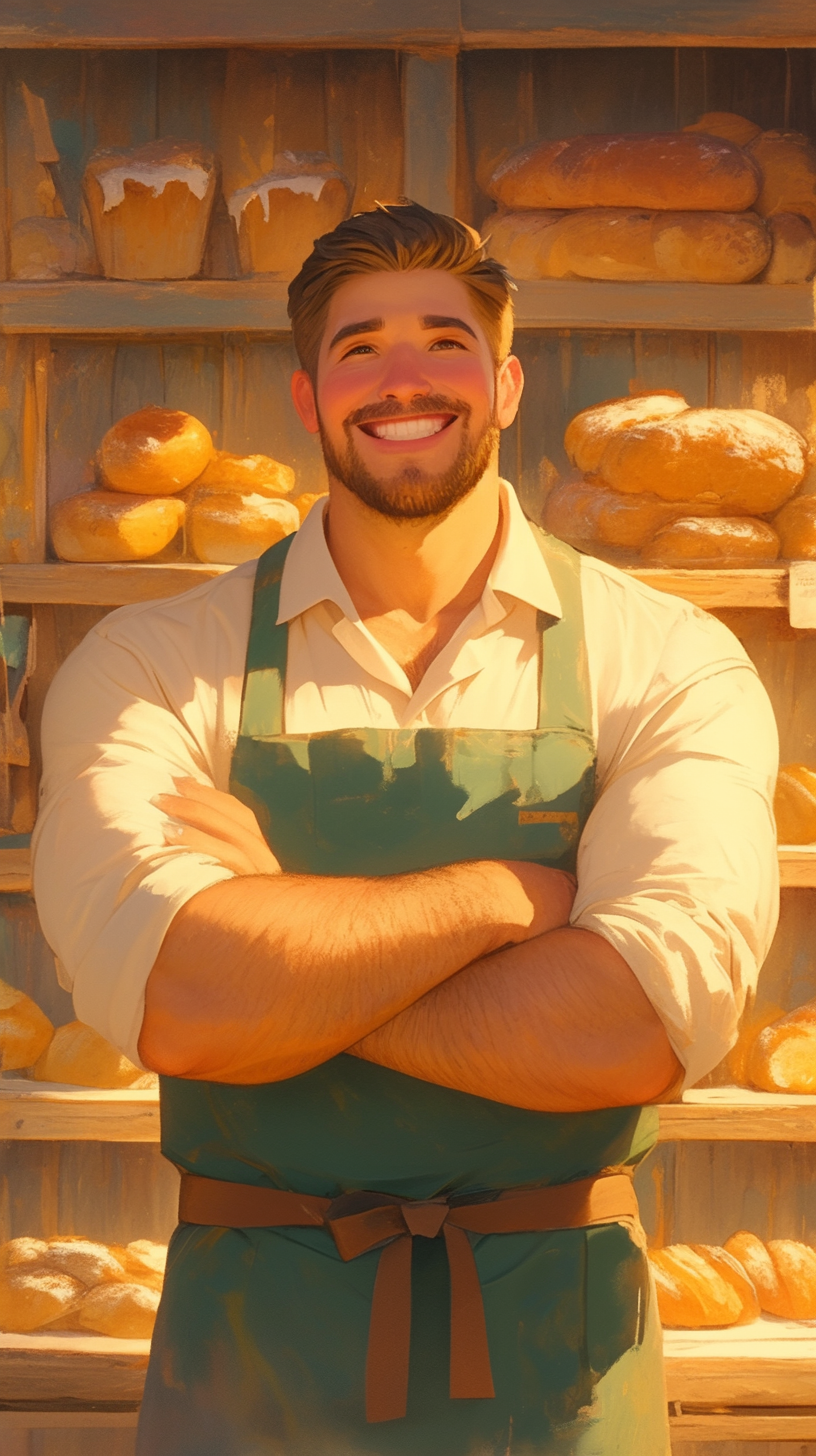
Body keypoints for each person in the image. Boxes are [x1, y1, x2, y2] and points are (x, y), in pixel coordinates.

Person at [33, 202, 779, 1456]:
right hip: (249, 1363)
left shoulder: (670, 658)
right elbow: (180, 1002)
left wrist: (283, 940)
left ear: (506, 380)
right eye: (359, 346)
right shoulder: (158, 660)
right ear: (308, 394)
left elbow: (639, 1025)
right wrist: (507, 899)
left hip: (564, 1369)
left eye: (444, 339)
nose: (403, 379)